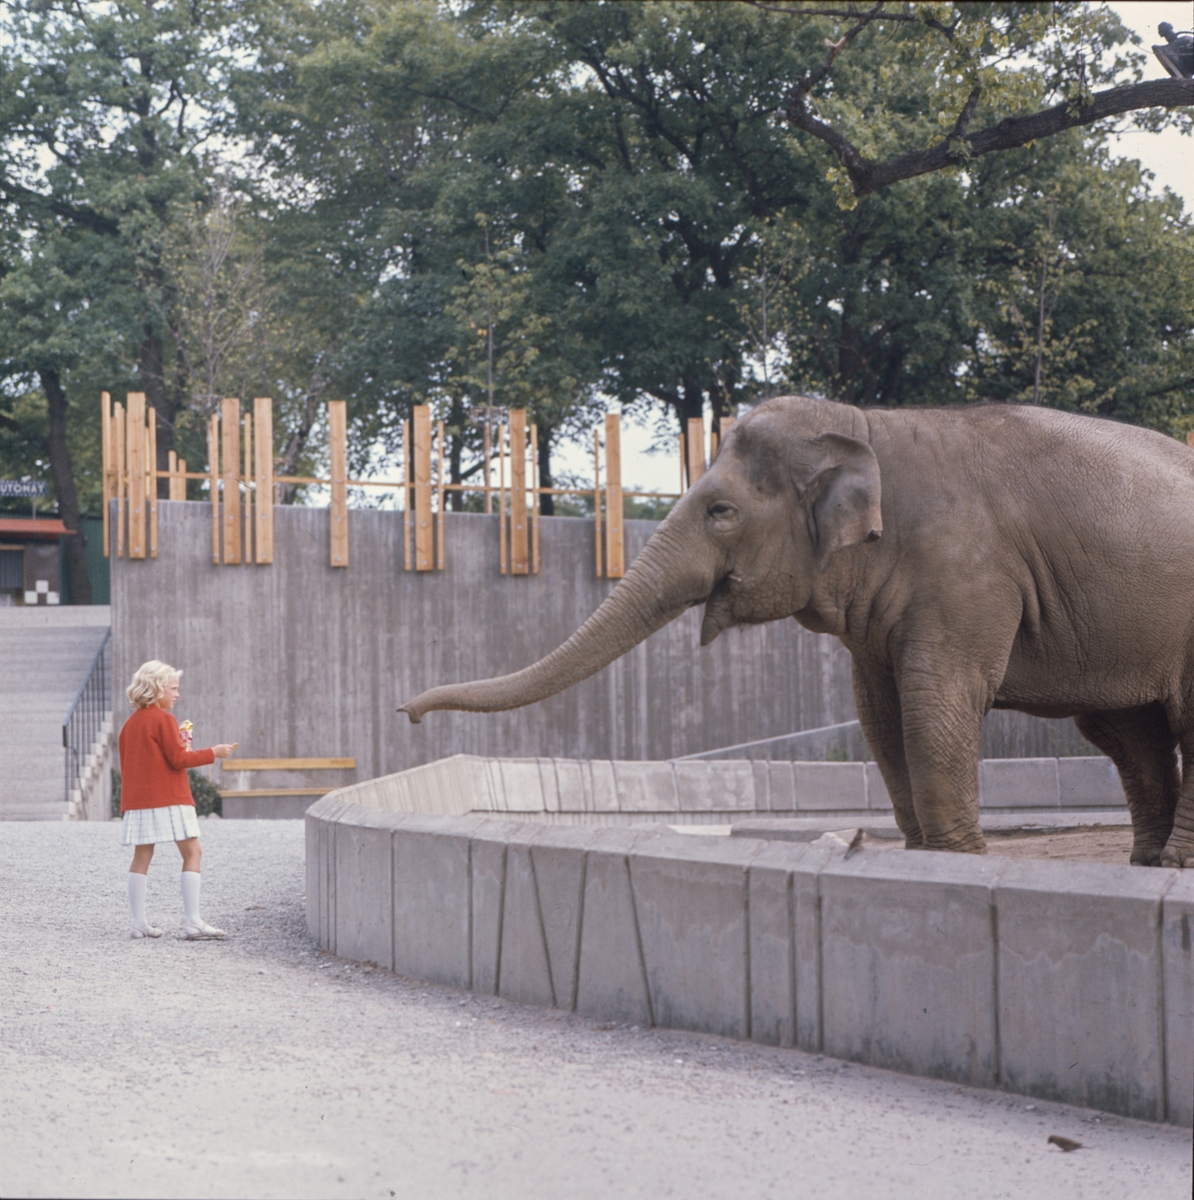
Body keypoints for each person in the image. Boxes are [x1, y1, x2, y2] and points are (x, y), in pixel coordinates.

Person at [118, 660, 236, 940]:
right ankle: (193, 921)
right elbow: (179, 759)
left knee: (141, 857)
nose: (177, 694)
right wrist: (214, 752)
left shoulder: (129, 725)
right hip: (170, 798)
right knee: (193, 853)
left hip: (139, 802)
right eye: (173, 688)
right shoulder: (163, 719)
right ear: (157, 689)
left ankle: (138, 924)